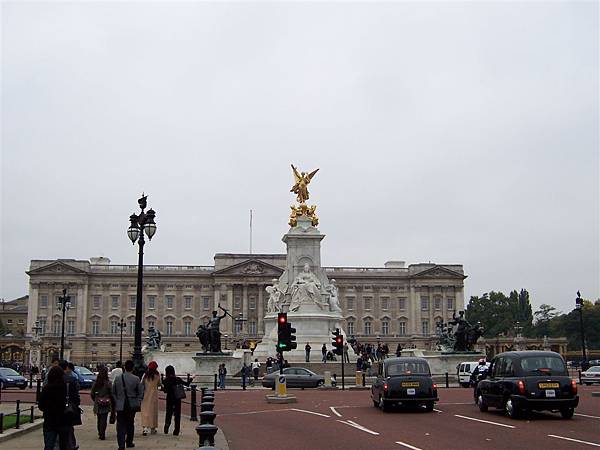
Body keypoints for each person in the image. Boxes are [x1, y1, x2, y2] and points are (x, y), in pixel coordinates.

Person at [112, 360, 144, 450]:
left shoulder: (118, 378)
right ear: (133, 368)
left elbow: (113, 392)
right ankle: (129, 442)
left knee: (120, 425)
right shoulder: (136, 379)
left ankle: (121, 445)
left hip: (120, 404)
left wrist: (117, 400)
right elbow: (140, 392)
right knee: (130, 423)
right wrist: (138, 400)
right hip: (131, 404)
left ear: (124, 367)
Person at [39, 366, 71, 450]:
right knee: (63, 446)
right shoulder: (65, 388)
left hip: (49, 421)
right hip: (63, 420)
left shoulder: (46, 389)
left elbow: (41, 406)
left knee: (49, 446)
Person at [90, 366, 114, 440]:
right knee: (104, 419)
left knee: (99, 419)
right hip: (106, 402)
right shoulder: (108, 383)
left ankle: (100, 432)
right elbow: (112, 393)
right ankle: (102, 433)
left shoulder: (96, 383)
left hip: (98, 402)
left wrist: (95, 399)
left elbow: (92, 393)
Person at [63, 361, 81, 450]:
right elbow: (76, 396)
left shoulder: (53, 379)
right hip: (68, 407)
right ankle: (71, 446)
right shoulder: (71, 379)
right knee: (69, 428)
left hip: (55, 409)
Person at [162, 365, 184, 435]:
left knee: (169, 413)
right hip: (177, 398)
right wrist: (192, 378)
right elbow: (187, 383)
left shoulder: (165, 380)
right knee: (177, 414)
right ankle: (176, 430)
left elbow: (165, 391)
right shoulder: (178, 379)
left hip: (169, 398)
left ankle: (167, 425)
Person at [141, 361, 161, 436]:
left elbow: (141, 383)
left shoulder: (145, 375)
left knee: (145, 411)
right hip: (154, 395)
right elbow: (159, 383)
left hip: (146, 394)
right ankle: (153, 428)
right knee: (153, 411)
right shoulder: (157, 374)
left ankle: (145, 428)